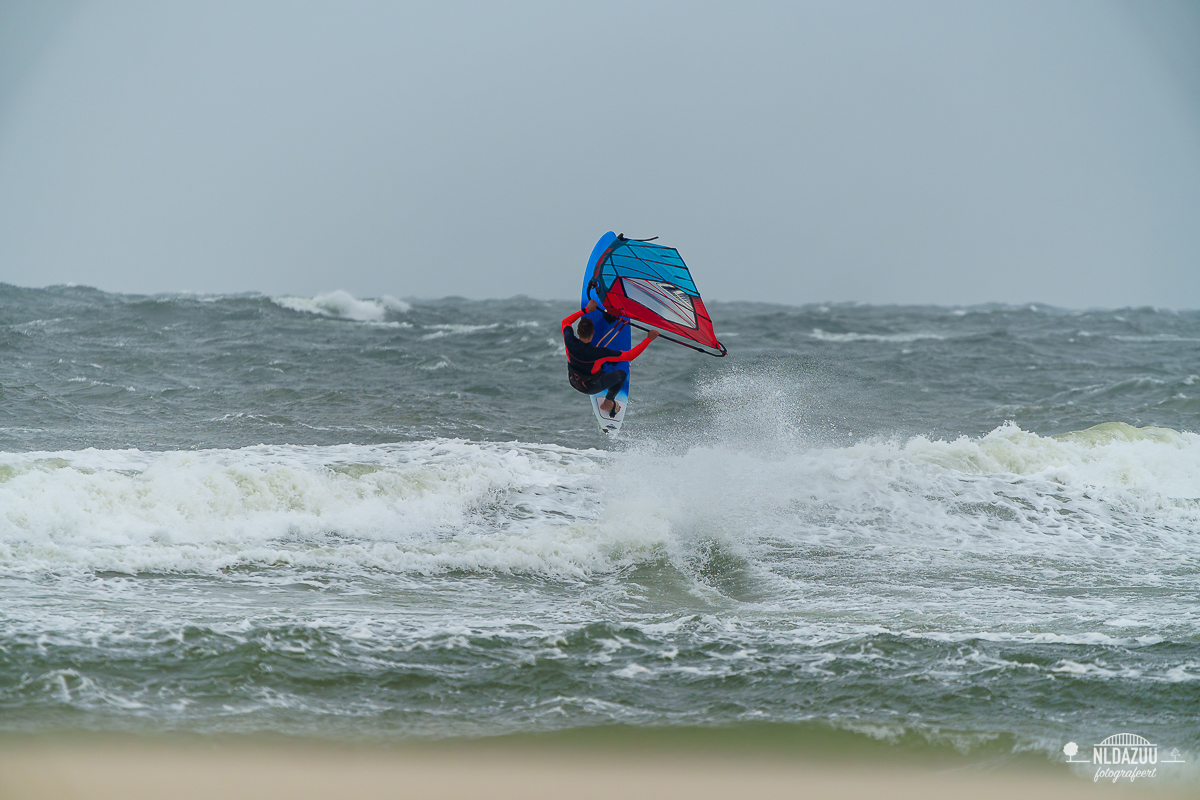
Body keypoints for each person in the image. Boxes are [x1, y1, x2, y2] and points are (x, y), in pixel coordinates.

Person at [562, 299, 658, 418]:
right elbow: (630, 356)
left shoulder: (569, 342)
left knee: (597, 363)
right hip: (591, 387)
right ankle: (608, 402)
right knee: (621, 374)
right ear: (593, 333)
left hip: (573, 381)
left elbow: (566, 322)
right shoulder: (600, 353)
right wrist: (649, 339)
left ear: (577, 331)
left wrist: (586, 310)